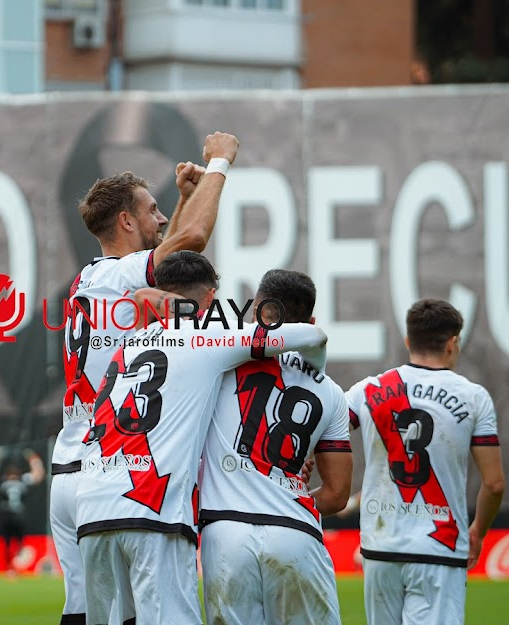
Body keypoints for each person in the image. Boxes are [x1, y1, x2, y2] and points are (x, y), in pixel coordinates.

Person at [77, 252, 329, 625]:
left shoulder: (128, 345)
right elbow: (310, 334)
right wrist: (314, 370)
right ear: (211, 298)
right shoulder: (208, 337)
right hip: (151, 507)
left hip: (92, 507)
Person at [52, 132, 239, 625]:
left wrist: (184, 198)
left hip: (72, 468)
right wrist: (220, 163)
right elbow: (190, 245)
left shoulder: (91, 280)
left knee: (86, 615)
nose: (160, 220)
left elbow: (169, 264)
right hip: (114, 471)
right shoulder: (117, 277)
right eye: (152, 210)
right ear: (126, 221)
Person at [198, 269, 352, 625]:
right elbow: (337, 494)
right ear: (310, 321)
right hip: (296, 532)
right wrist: (285, 489)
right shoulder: (331, 392)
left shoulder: (219, 362)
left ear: (255, 312)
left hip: (225, 534)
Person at [344, 298, 505, 625]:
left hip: (379, 549)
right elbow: (494, 484)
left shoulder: (368, 389)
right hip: (439, 548)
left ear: (408, 341)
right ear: (452, 343)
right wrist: (478, 531)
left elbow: (322, 431)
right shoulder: (473, 397)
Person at [0, 448, 46, 574]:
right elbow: (38, 474)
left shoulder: (3, 481)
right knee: (15, 544)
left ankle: (11, 568)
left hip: (9, 516)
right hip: (17, 516)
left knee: (12, 544)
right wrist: (34, 459)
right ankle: (13, 567)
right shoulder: (23, 480)